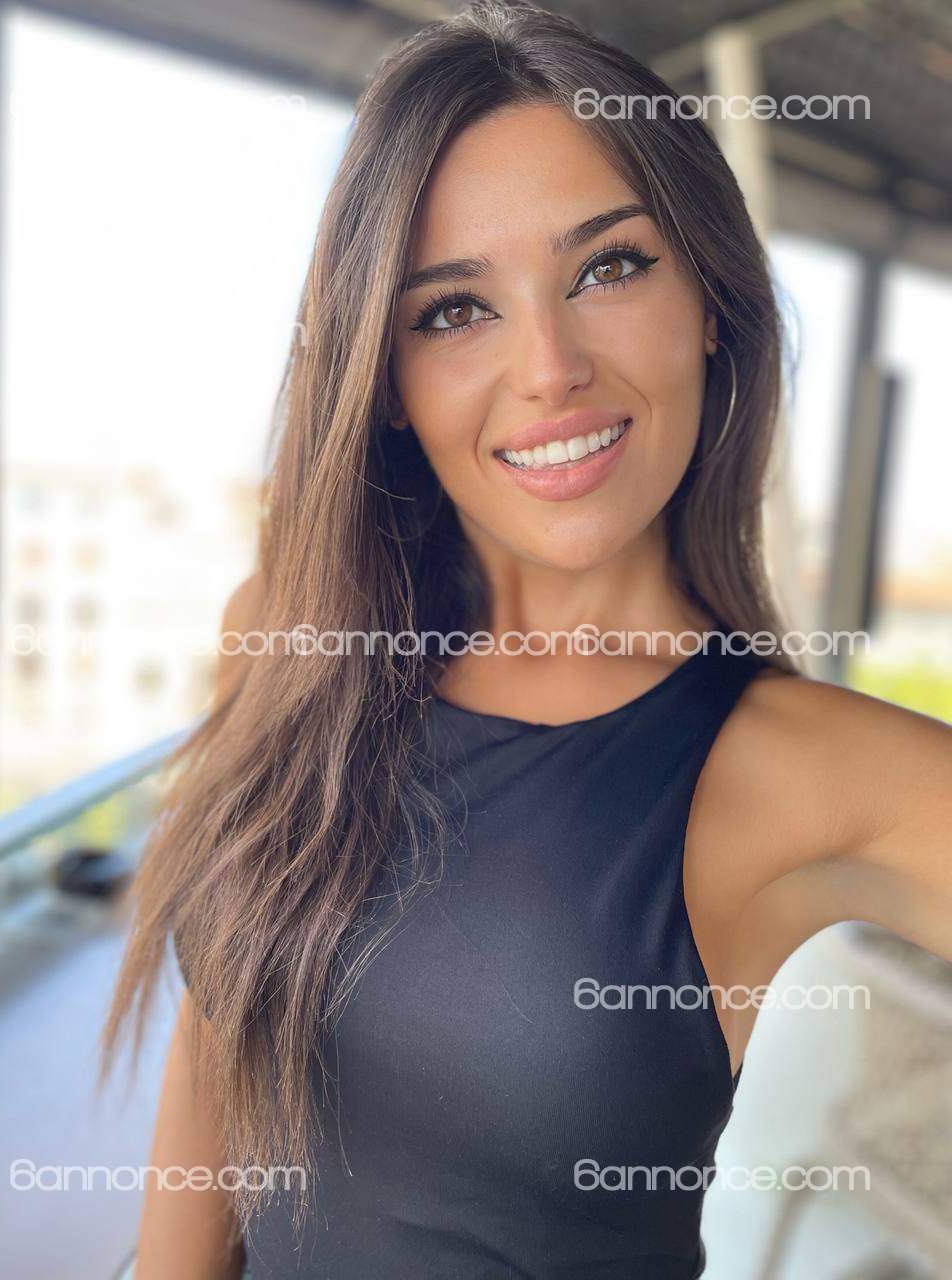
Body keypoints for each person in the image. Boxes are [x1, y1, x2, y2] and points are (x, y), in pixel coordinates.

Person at [99, 3, 952, 1276]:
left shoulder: (822, 772)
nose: (549, 368)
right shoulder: (282, 635)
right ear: (386, 376)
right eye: (454, 309)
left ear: (711, 304)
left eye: (609, 268)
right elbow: (222, 1051)